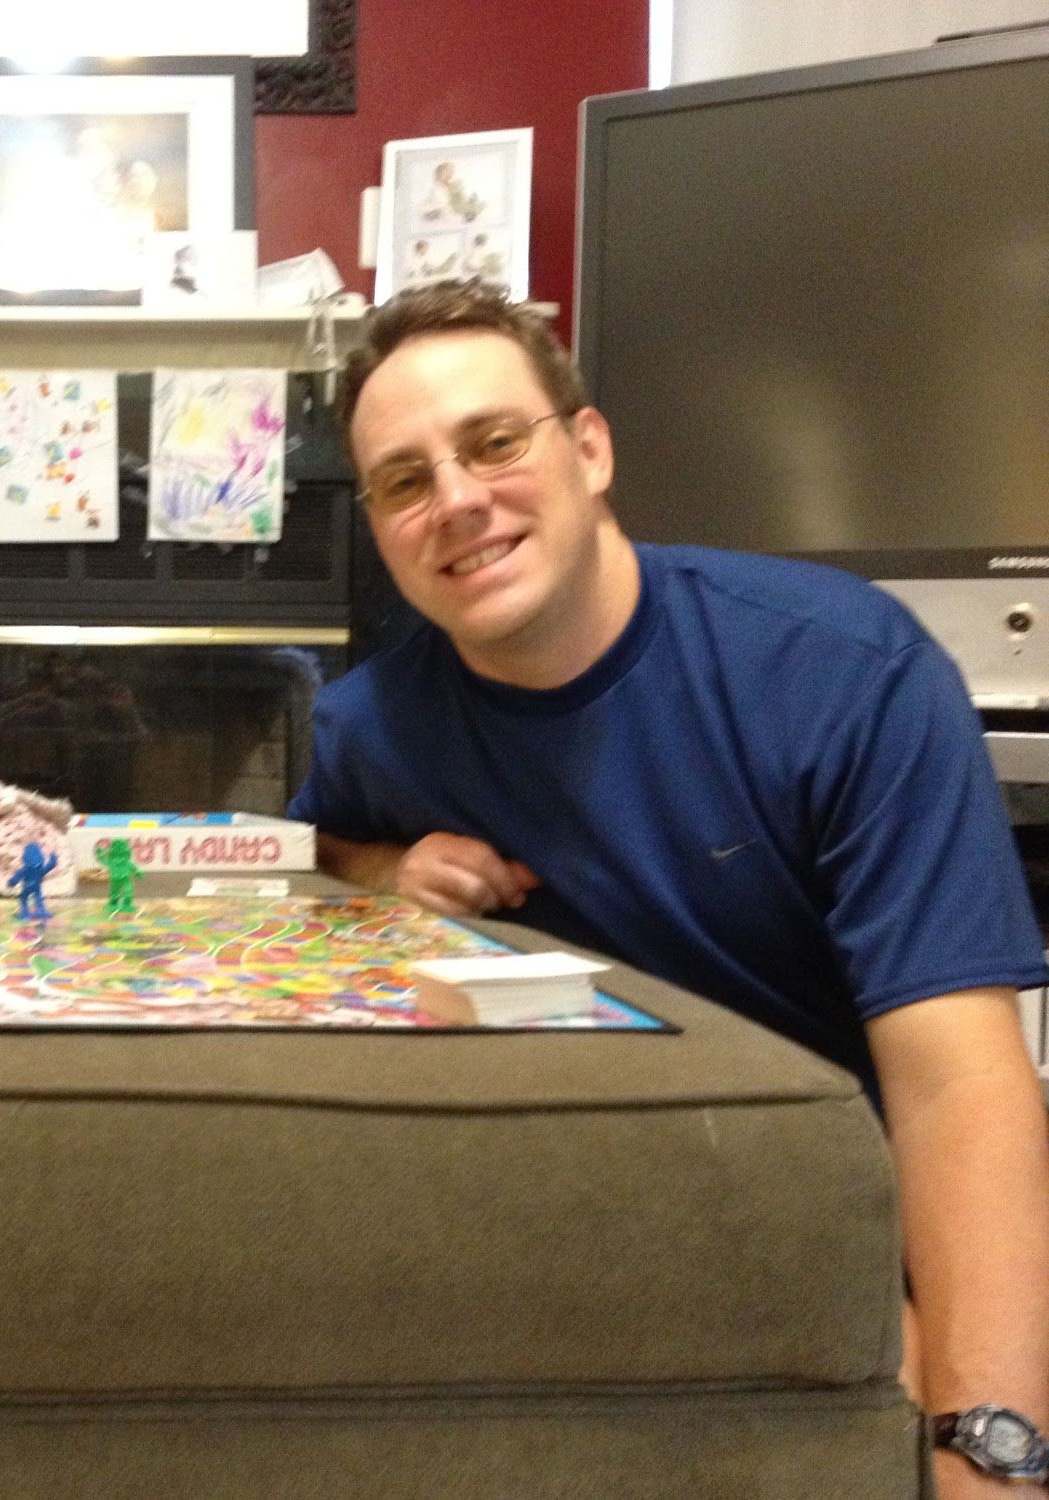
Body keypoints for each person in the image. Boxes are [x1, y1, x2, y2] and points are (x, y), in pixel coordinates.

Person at [290, 278, 1049, 1498]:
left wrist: (990, 1446)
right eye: (403, 480)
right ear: (379, 526)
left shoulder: (847, 673)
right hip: (545, 1235)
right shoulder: (369, 727)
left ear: (587, 449)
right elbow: (290, 870)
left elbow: (958, 1082)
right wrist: (377, 865)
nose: (458, 502)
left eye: (492, 442)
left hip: (827, 1231)